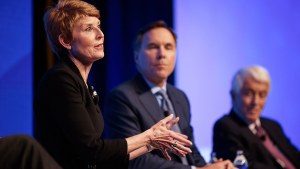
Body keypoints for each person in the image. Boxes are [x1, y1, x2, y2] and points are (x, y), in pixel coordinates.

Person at [34, 1, 193, 169]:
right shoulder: (60, 80)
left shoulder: (84, 85)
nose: (100, 34)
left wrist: (151, 144)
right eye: (88, 29)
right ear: (66, 41)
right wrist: (149, 136)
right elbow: (92, 150)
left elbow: (103, 157)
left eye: (99, 26)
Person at [103, 20, 235, 169]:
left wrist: (211, 167)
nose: (162, 54)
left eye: (168, 47)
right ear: (136, 56)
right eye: (153, 47)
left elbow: (190, 150)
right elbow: (134, 160)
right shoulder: (122, 97)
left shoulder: (180, 96)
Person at [212, 65, 300, 169]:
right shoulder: (225, 127)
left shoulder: (273, 125)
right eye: (248, 94)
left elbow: (295, 156)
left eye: (262, 95)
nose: (256, 102)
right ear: (233, 95)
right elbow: (246, 166)